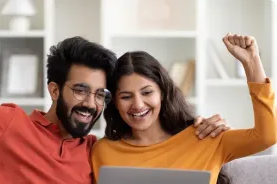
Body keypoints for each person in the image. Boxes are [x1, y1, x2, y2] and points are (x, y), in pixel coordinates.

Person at [0, 1, 230, 183]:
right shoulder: (7, 124)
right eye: (81, 90)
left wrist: (193, 129)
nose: (90, 104)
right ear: (54, 89)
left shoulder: (96, 152)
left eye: (100, 94)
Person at [91, 33, 277, 184]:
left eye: (147, 93)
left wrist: (252, 63)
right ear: (114, 101)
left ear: (162, 93)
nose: (138, 105)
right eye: (126, 96)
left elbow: (268, 136)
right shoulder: (103, 151)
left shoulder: (205, 136)